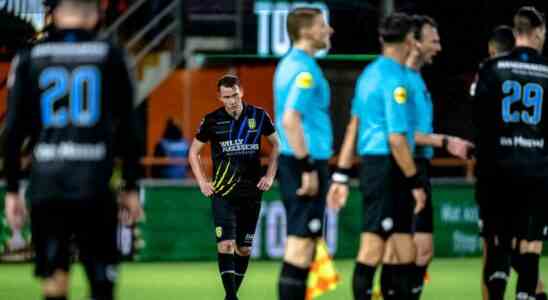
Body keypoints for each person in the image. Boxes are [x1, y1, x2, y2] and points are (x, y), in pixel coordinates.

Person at [3, 1, 143, 300]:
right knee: (101, 281)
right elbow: (130, 129)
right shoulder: (111, 55)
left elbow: (12, 131)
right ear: (95, 15)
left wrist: (13, 189)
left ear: (53, 14)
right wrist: (131, 185)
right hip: (94, 184)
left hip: (47, 184)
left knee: (54, 282)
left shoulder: (30, 56)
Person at [327, 12, 426, 300]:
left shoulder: (368, 74)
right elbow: (396, 139)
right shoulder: (396, 80)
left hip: (373, 166)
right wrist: (415, 181)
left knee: (402, 245)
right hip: (388, 167)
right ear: (409, 40)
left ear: (382, 39)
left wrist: (342, 175)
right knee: (374, 247)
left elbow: (353, 127)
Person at [474, 6, 548, 300]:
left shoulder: (492, 69)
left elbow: (481, 123)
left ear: (516, 32)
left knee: (498, 244)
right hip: (536, 171)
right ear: (539, 31)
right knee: (530, 248)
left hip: (498, 173)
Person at [188, 74, 278, 300]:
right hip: (223, 194)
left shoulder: (258, 116)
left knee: (244, 248)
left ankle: (230, 296)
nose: (232, 101)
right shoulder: (211, 120)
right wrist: (202, 182)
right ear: (220, 97)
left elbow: (277, 145)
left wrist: (270, 175)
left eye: (235, 95)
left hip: (251, 194)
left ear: (242, 92)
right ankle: (232, 297)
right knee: (225, 244)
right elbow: (193, 152)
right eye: (227, 97)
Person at [403, 15, 474, 299]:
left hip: (421, 166)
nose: (439, 47)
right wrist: (446, 141)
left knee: (423, 250)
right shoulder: (401, 80)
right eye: (434, 40)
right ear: (415, 43)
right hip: (404, 168)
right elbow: (402, 133)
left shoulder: (417, 79)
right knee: (401, 251)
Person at [272, 7, 334, 300]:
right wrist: (307, 166)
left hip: (298, 160)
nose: (329, 30)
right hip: (303, 163)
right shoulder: (304, 70)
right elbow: (290, 119)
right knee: (300, 244)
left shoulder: (292, 64)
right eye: (324, 25)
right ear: (307, 31)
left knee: (306, 243)